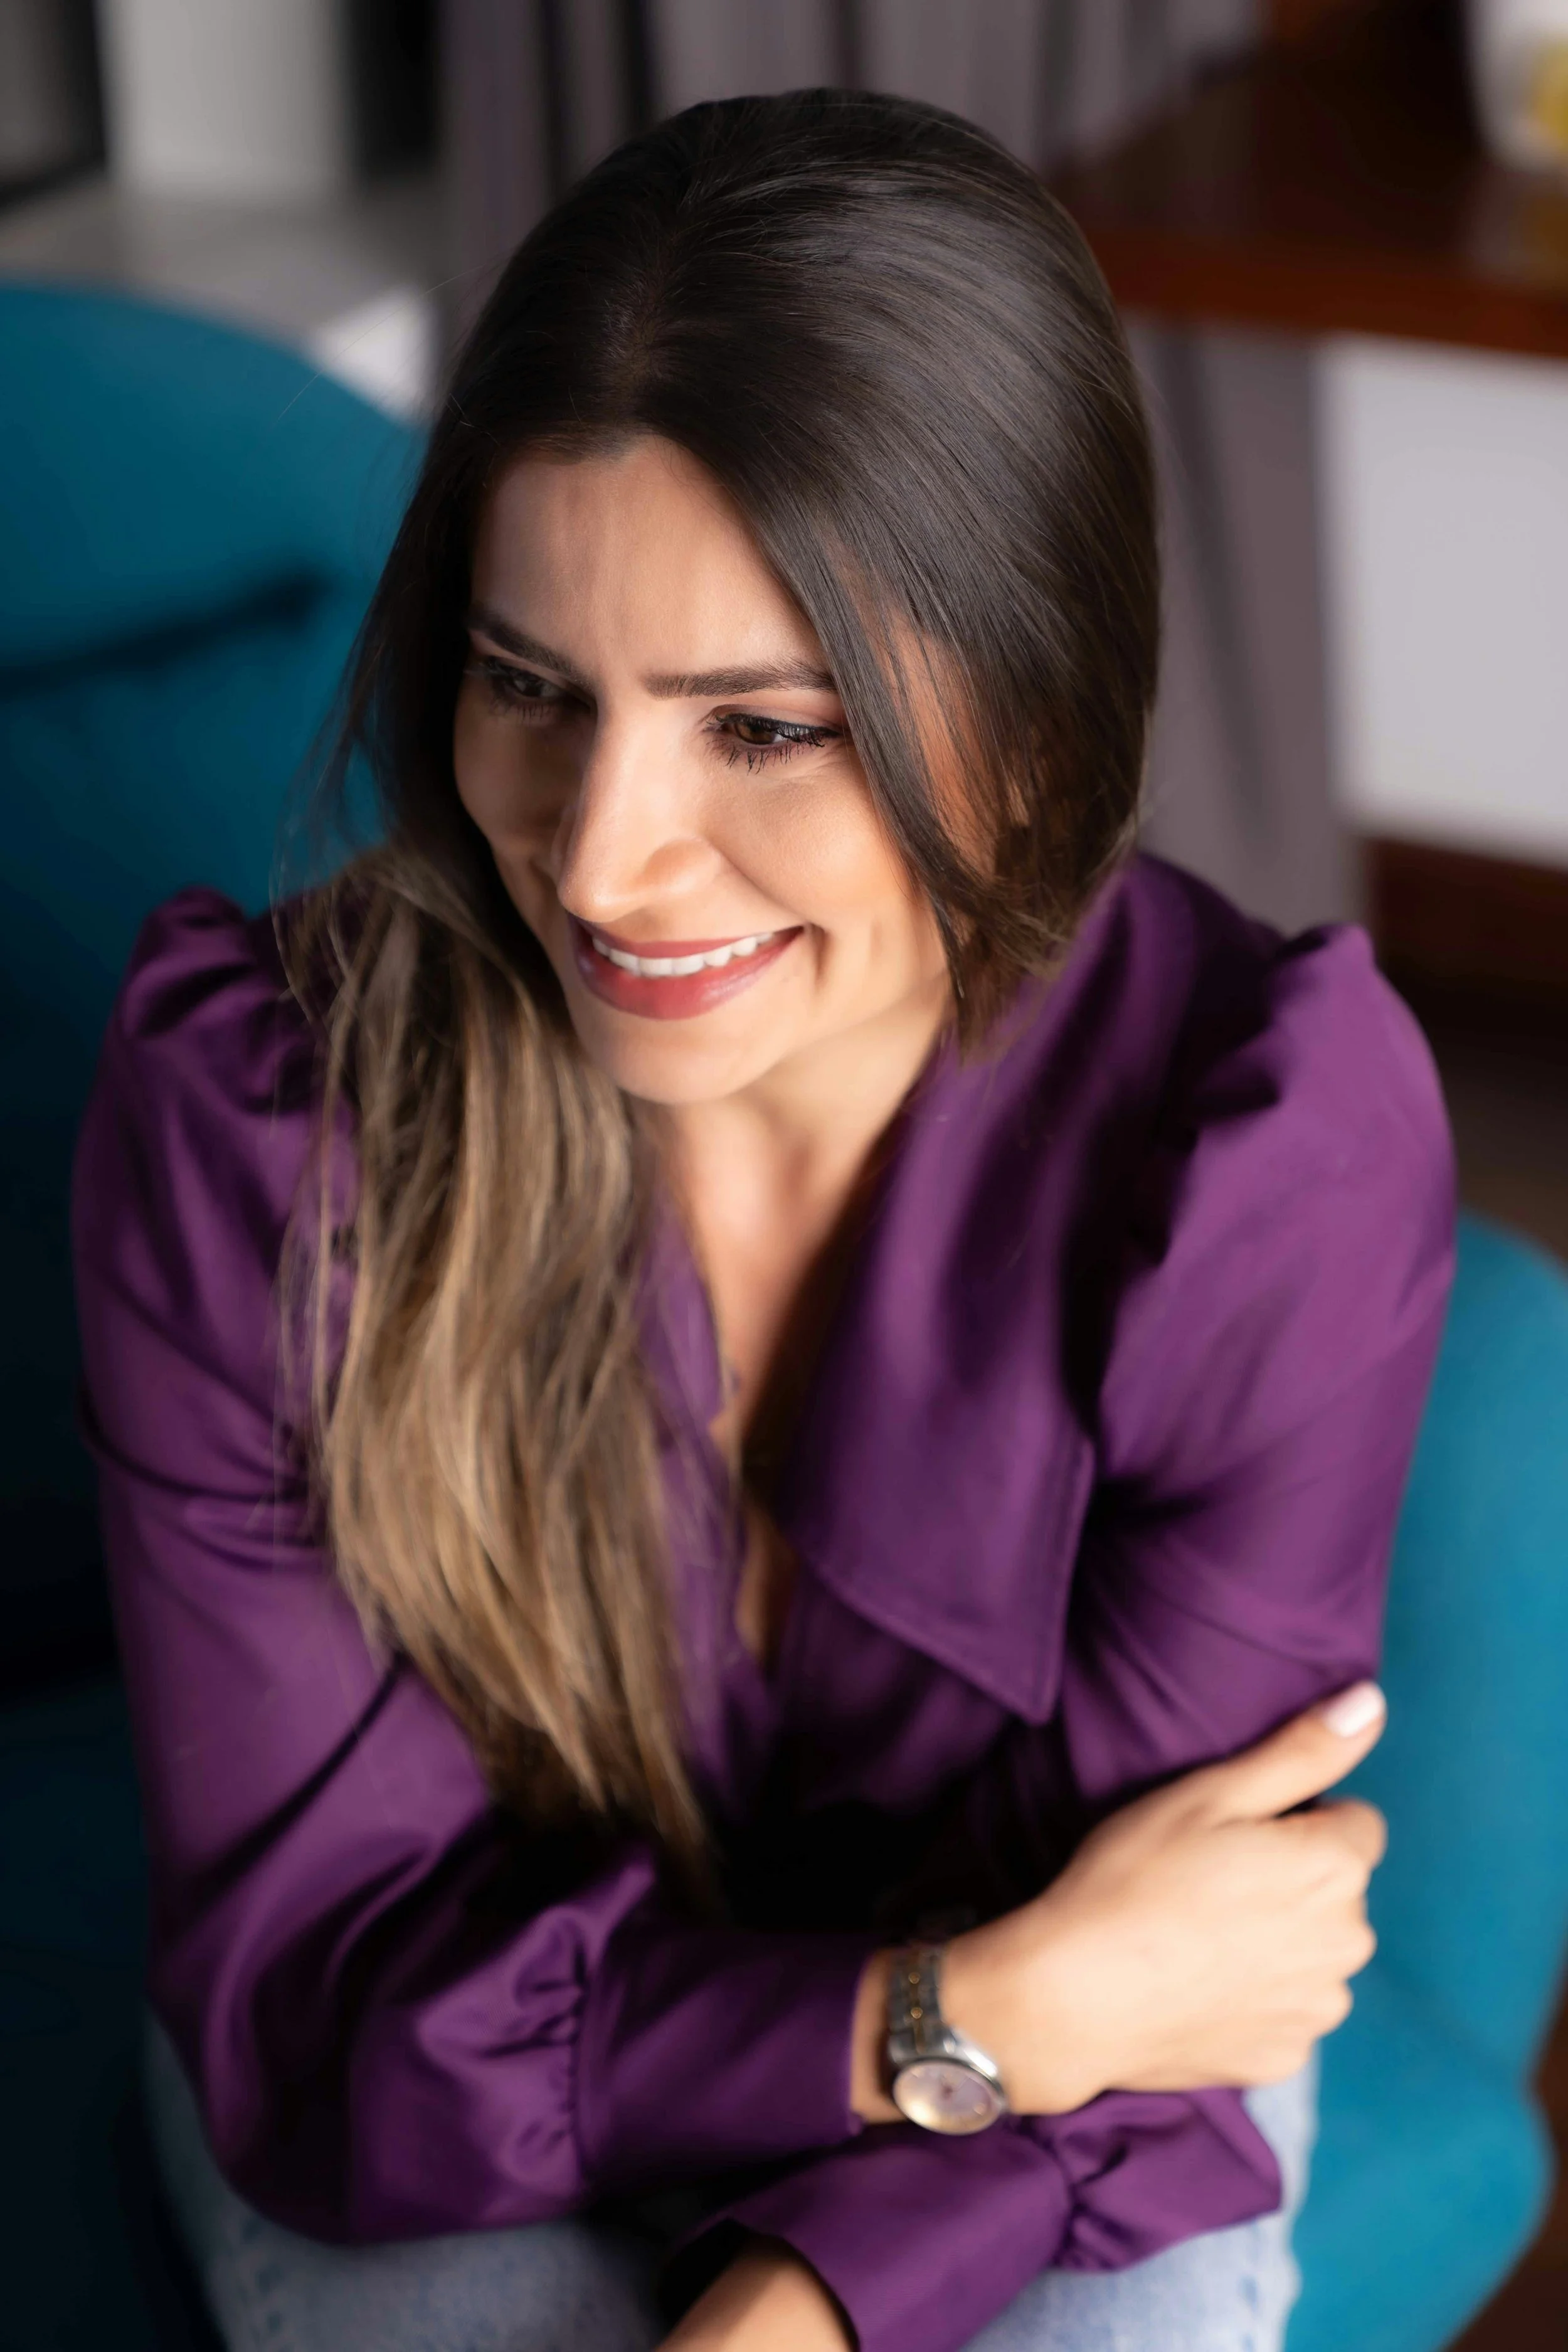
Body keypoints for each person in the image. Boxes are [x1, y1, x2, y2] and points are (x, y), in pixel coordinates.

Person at [72, 88, 1454, 2352]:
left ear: (1033, 704)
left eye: (763, 728)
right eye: (534, 688)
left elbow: (1166, 1988)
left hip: (1066, 2117)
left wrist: (793, 2295)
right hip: (432, 2094)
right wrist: (968, 1995)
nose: (600, 859)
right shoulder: (263, 1139)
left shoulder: (1263, 1156)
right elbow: (332, 2009)